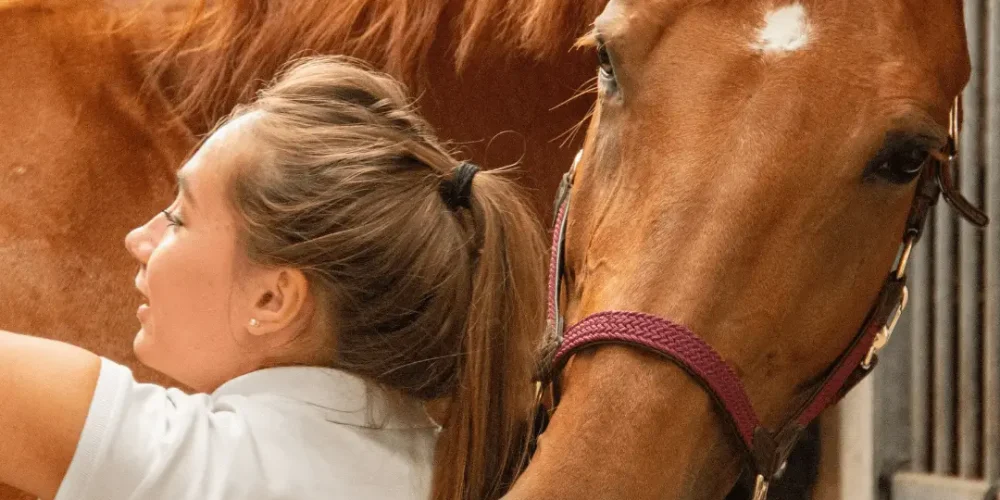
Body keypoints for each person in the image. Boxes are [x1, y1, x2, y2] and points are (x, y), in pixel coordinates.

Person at [0, 55, 548, 500]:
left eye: (179, 217)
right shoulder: (449, 475)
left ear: (272, 297)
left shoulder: (188, 465)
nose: (137, 239)